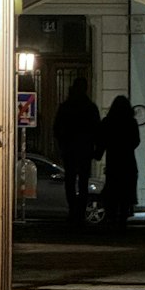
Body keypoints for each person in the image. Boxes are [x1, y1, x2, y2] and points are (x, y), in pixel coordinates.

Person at [52, 77, 100, 225]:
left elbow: (57, 128)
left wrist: (62, 144)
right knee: (83, 182)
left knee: (70, 181)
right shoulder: (90, 107)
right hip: (85, 150)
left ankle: (73, 210)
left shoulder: (66, 106)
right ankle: (80, 212)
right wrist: (96, 149)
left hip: (70, 150)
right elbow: (97, 130)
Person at [96, 95, 140, 230]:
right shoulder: (131, 122)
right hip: (128, 163)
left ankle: (112, 219)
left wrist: (98, 154)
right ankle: (122, 221)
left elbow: (101, 141)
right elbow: (136, 141)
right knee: (126, 194)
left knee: (112, 193)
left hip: (113, 164)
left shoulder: (108, 122)